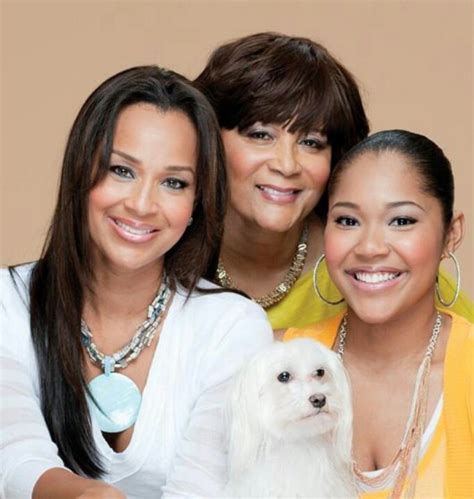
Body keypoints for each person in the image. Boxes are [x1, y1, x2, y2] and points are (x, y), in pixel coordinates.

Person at [0, 66, 273, 499]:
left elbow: (200, 491)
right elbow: (14, 458)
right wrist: (89, 495)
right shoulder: (8, 301)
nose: (143, 204)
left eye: (173, 182)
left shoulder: (232, 327)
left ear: (198, 200)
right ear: (81, 169)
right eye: (122, 171)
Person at [195, 32, 473, 333]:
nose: (286, 165)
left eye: (312, 142)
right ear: (209, 139)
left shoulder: (375, 269)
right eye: (261, 135)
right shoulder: (164, 248)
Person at [286, 130, 473, 498]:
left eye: (401, 221)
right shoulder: (276, 364)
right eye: (348, 221)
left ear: (451, 234)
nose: (370, 247)